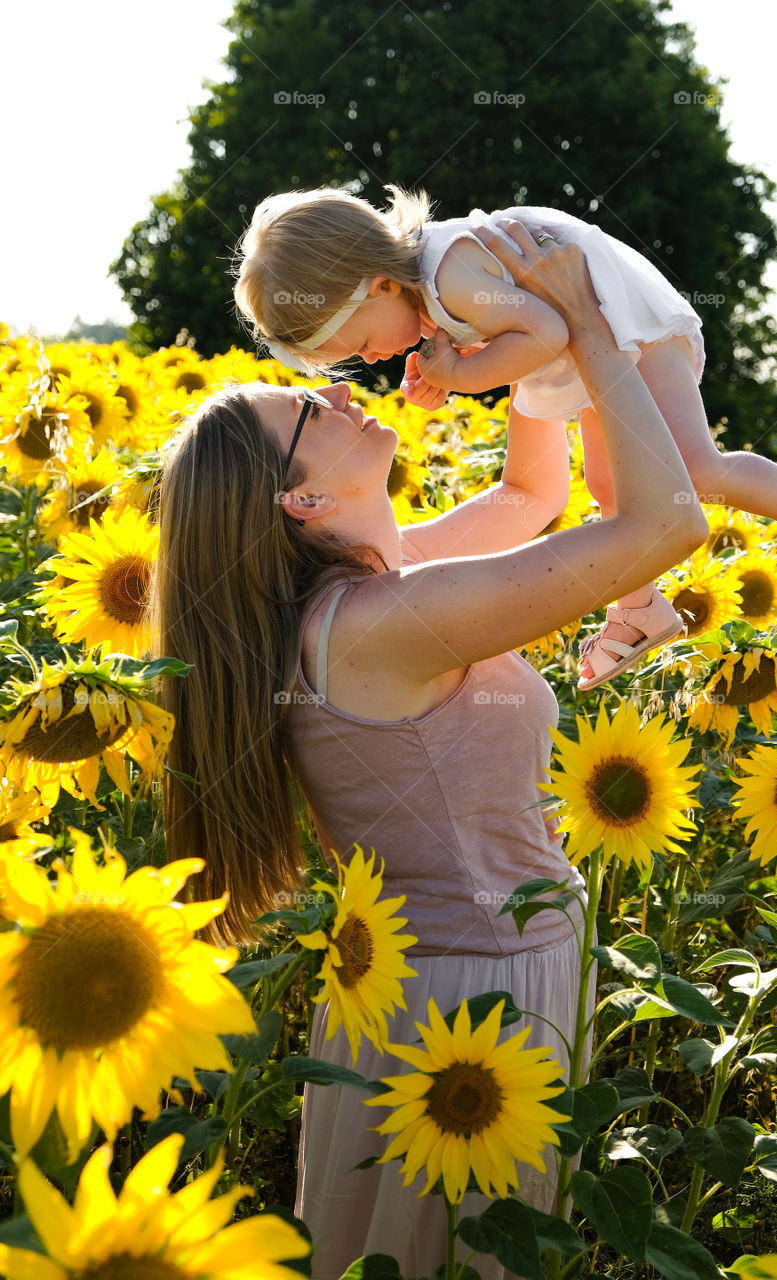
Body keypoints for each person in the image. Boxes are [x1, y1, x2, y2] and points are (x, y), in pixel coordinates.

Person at [151, 229, 707, 1277]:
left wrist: (511, 331)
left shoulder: (362, 590)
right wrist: (591, 331)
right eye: (310, 409)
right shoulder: (378, 624)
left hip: (445, 976)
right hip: (467, 1005)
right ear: (301, 500)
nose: (341, 389)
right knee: (465, 1254)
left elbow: (530, 499)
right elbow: (667, 522)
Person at [233, 185, 777, 690]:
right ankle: (639, 608)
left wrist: (461, 375)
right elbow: (522, 337)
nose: (374, 360)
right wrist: (455, 369)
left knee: (691, 467)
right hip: (589, 350)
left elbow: (548, 331)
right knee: (610, 485)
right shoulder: (430, 291)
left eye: (366, 344)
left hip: (622, 325)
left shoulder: (449, 274)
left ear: (380, 285)